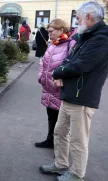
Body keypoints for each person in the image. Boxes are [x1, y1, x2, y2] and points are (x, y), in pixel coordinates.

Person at [39, 1, 108, 181]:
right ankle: (60, 165)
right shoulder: (84, 37)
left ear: (89, 17)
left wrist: (57, 72)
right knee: (60, 131)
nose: (76, 23)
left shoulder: (101, 39)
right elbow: (68, 59)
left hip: (83, 97)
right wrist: (60, 71)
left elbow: (81, 65)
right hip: (69, 94)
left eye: (77, 19)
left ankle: (77, 174)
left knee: (78, 140)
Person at [36, 19, 76, 149]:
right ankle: (50, 141)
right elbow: (43, 62)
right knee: (51, 117)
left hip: (60, 89)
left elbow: (71, 66)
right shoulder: (53, 44)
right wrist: (41, 77)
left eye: (51, 31)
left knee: (61, 123)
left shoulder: (70, 44)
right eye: (48, 31)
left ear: (61, 30)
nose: (49, 34)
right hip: (48, 88)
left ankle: (59, 149)